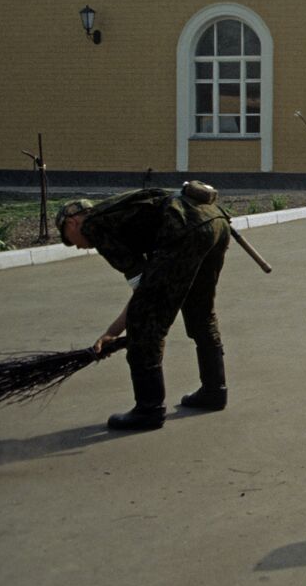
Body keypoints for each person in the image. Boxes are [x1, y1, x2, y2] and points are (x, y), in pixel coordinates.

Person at [54, 182, 233, 430]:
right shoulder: (120, 214)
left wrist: (115, 331)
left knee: (146, 326)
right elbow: (150, 282)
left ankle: (149, 410)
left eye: (70, 241)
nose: (79, 246)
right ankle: (215, 391)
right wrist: (112, 332)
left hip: (185, 229)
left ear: (72, 223)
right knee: (200, 310)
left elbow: (144, 291)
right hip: (215, 221)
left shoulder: (94, 226)